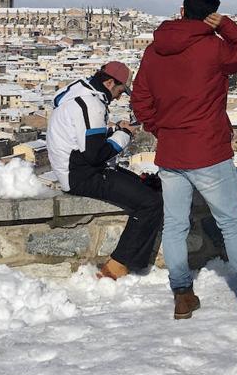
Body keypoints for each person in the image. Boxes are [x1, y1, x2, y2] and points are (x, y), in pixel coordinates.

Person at [131, 0, 237, 319]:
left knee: (174, 225)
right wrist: (225, 25)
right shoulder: (214, 48)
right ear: (211, 13)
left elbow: (140, 100)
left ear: (182, 10)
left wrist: (162, 129)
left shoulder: (154, 51)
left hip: (171, 153)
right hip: (209, 151)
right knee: (230, 223)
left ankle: (182, 294)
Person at [46, 61, 160, 280]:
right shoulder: (92, 105)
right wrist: (124, 135)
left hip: (76, 169)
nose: (118, 97)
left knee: (145, 186)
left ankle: (129, 263)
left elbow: (87, 141)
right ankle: (119, 266)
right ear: (109, 82)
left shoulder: (80, 95)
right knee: (150, 202)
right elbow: (95, 155)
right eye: (119, 91)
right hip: (81, 175)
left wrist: (115, 130)